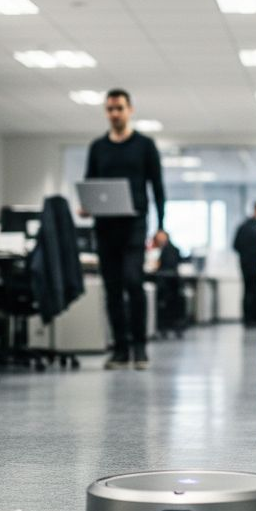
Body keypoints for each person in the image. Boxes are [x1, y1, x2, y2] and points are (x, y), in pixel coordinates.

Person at [82, 89, 165, 370]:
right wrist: (86, 205)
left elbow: (158, 188)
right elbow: (90, 183)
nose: (114, 114)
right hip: (105, 225)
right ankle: (120, 349)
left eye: (119, 108)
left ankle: (139, 347)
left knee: (133, 281)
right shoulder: (98, 147)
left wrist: (162, 226)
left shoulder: (144, 146)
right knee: (112, 289)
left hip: (135, 224)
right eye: (110, 109)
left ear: (130, 110)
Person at [232, 201, 256, 327]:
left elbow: (235, 246)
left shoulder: (242, 227)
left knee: (247, 291)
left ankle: (248, 319)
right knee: (255, 292)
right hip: (253, 265)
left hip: (245, 264)